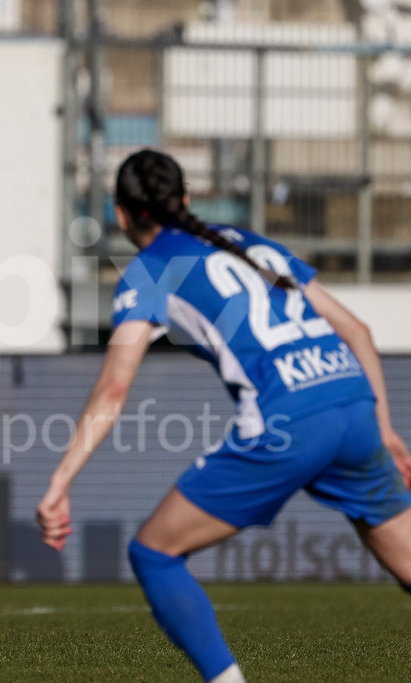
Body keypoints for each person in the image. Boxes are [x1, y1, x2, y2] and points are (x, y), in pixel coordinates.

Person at [37, 148, 411, 682]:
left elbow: (114, 389)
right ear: (186, 198)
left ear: (120, 214)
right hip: (353, 403)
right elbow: (359, 331)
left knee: (154, 554)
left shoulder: (150, 272)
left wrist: (59, 482)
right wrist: (386, 427)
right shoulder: (250, 242)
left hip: (289, 421)